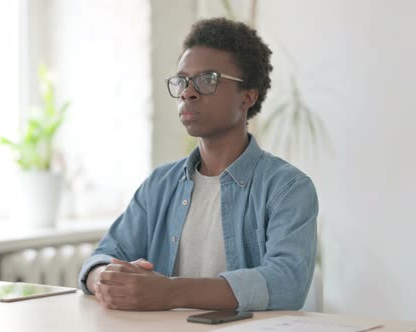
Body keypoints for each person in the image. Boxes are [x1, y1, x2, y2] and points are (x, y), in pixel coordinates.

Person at [78, 17, 318, 312]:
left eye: (208, 80)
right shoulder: (160, 184)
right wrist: (105, 278)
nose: (188, 92)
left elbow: (287, 284)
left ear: (247, 96)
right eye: (182, 81)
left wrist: (170, 292)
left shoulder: (287, 188)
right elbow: (102, 257)